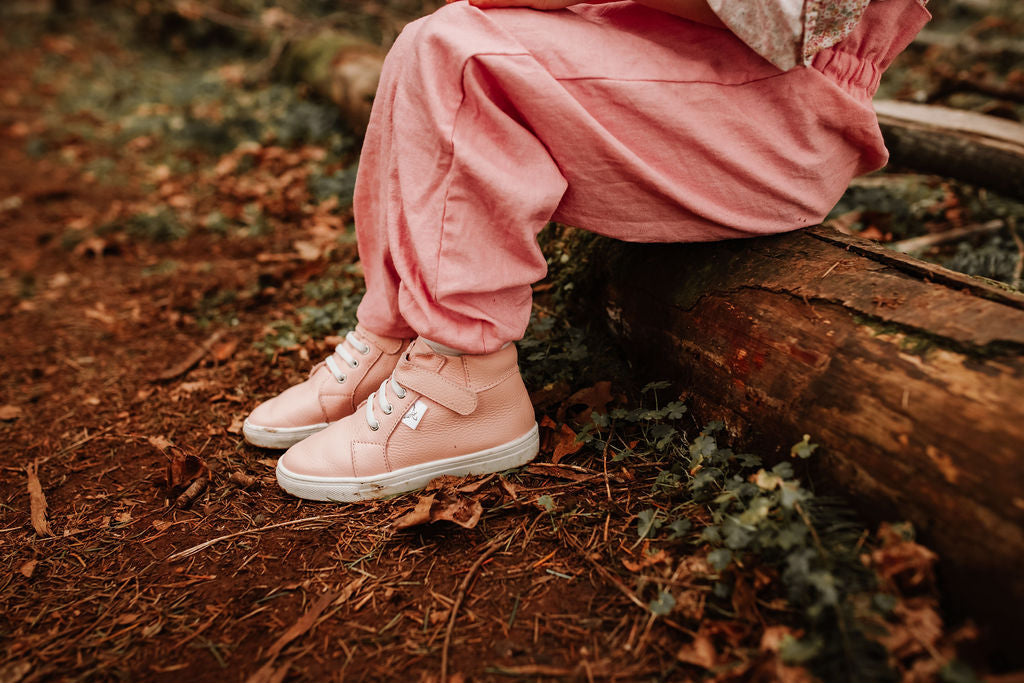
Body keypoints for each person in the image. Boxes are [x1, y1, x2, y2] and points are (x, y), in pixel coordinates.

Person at [242, 0, 931, 501]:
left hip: (783, 110)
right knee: (423, 43)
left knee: (461, 53)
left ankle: (465, 381)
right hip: (710, 75)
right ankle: (394, 332)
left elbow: (788, 19)